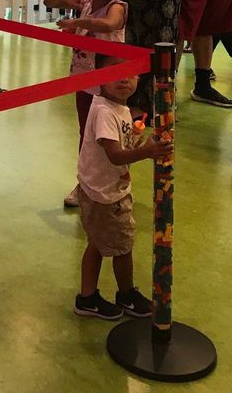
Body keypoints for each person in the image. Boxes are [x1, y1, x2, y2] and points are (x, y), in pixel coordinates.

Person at [74, 58, 173, 320]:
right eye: (116, 73)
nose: (124, 79)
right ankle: (126, 294)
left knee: (96, 244)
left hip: (99, 188)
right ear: (99, 78)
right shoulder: (105, 111)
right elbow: (116, 156)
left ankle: (87, 298)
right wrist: (147, 152)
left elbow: (122, 145)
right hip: (105, 195)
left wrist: (140, 140)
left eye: (130, 74)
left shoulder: (121, 108)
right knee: (123, 247)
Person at [43, 0, 131, 207]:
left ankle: (115, 182)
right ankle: (86, 184)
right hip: (83, 80)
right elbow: (49, 1)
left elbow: (108, 24)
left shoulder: (117, 6)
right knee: (87, 134)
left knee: (111, 137)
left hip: (108, 85)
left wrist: (77, 21)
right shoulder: (86, 0)